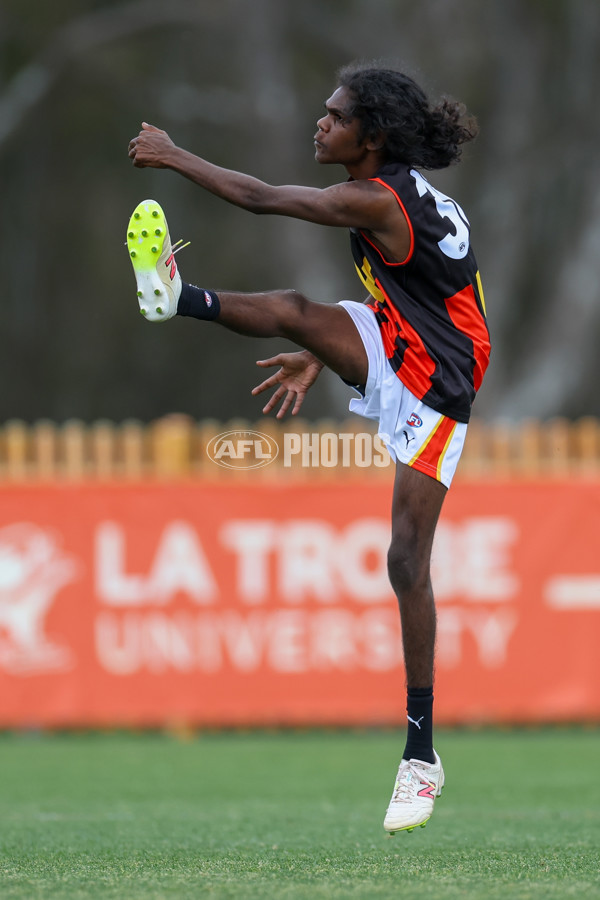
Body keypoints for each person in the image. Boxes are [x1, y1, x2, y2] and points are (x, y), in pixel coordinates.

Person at [127, 62, 491, 834]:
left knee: (405, 561)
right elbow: (419, 289)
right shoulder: (395, 194)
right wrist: (330, 347)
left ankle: (421, 757)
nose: (320, 124)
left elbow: (263, 199)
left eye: (335, 116)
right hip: (402, 336)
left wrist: (174, 154)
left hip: (440, 383)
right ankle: (174, 295)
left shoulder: (373, 198)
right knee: (296, 311)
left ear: (373, 136)